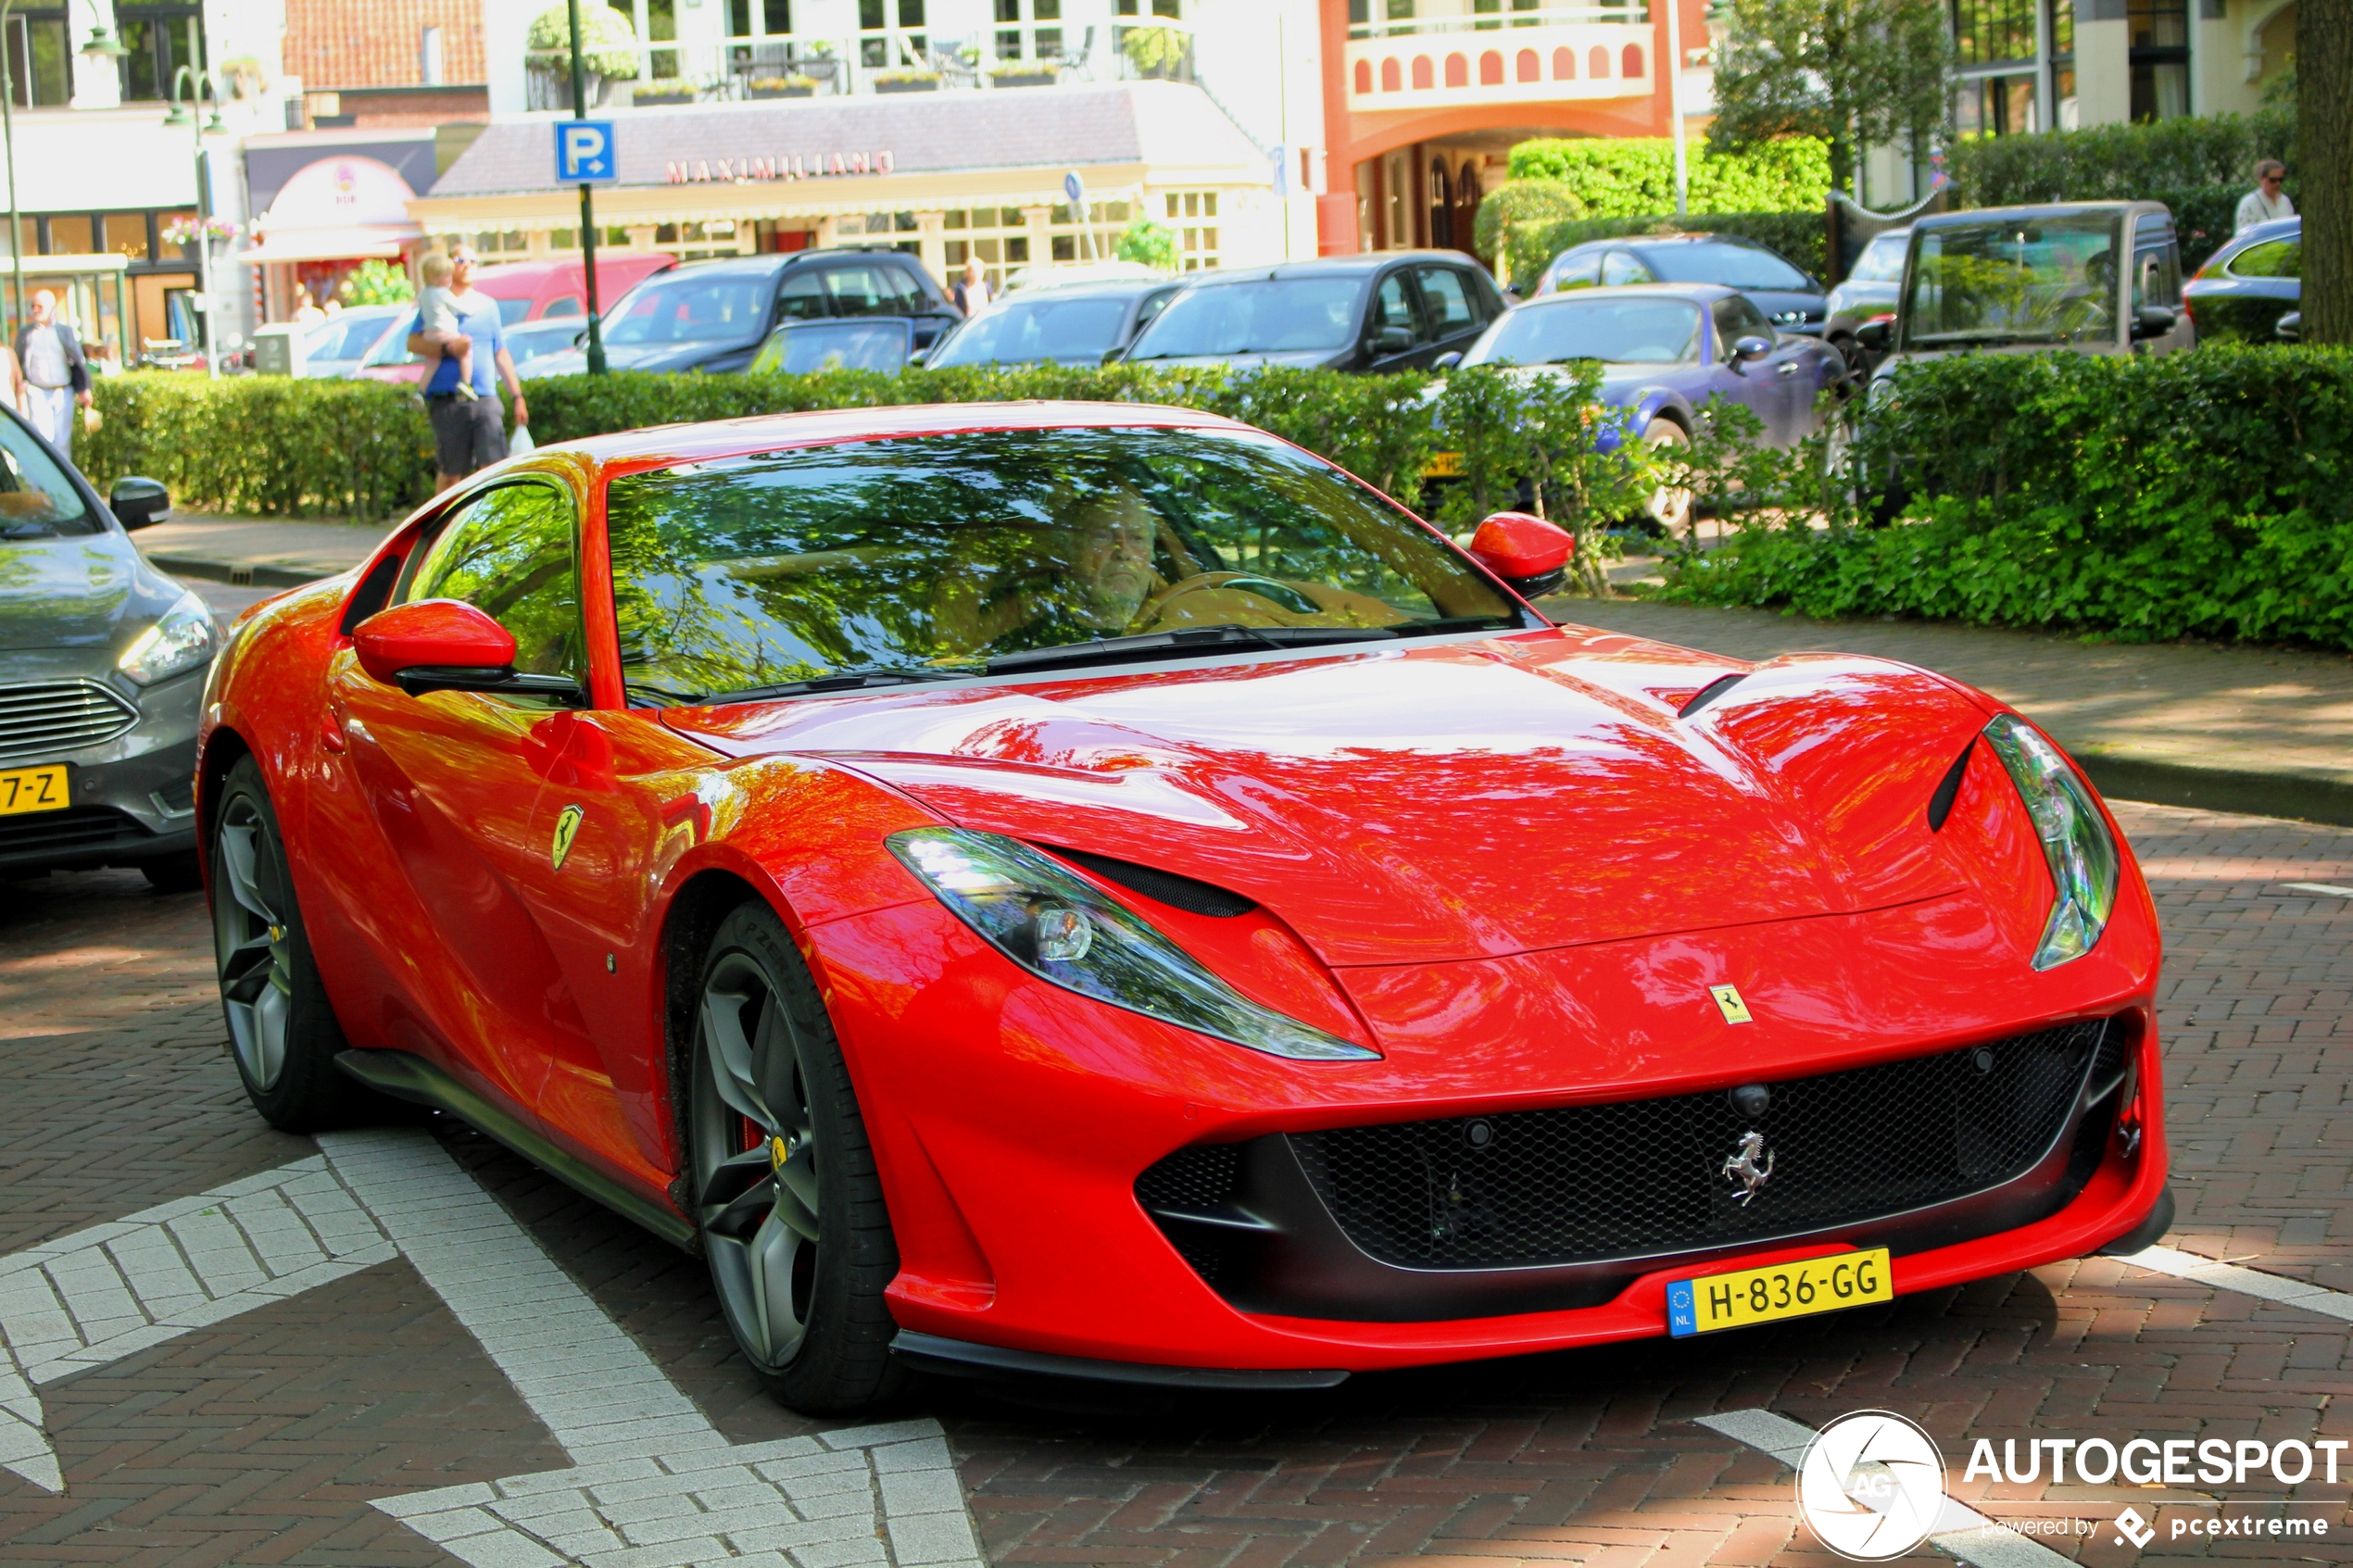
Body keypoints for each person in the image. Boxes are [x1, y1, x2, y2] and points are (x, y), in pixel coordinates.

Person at [403, 245, 529, 493]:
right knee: (451, 473)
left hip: (484, 396)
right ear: (449, 265)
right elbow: (413, 342)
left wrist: (517, 396)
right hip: (448, 399)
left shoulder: (488, 306)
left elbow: (500, 352)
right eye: (461, 259)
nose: (468, 264)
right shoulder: (435, 299)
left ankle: (491, 528)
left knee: (493, 469)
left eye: (474, 259)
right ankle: (444, 528)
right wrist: (450, 349)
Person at [17, 291, 89, 456]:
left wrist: (84, 389)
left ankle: (62, 479)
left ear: (51, 308)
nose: (35, 310)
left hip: (63, 391)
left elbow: (77, 360)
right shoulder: (26, 334)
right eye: (33, 306)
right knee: (42, 438)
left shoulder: (64, 332)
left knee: (62, 441)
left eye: (40, 306)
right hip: (37, 391)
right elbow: (19, 360)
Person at [412, 254, 478, 401]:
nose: (450, 279)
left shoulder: (423, 294)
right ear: (435, 277)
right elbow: (463, 308)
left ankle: (420, 391)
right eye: (447, 276)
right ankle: (465, 382)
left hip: (429, 334)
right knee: (465, 351)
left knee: (432, 363)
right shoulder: (442, 293)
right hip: (445, 331)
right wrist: (471, 306)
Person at [2236, 159, 2294, 232]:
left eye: (2281, 180)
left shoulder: (2286, 201)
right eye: (2273, 180)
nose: (2278, 184)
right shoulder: (2249, 203)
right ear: (2261, 179)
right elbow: (2243, 232)